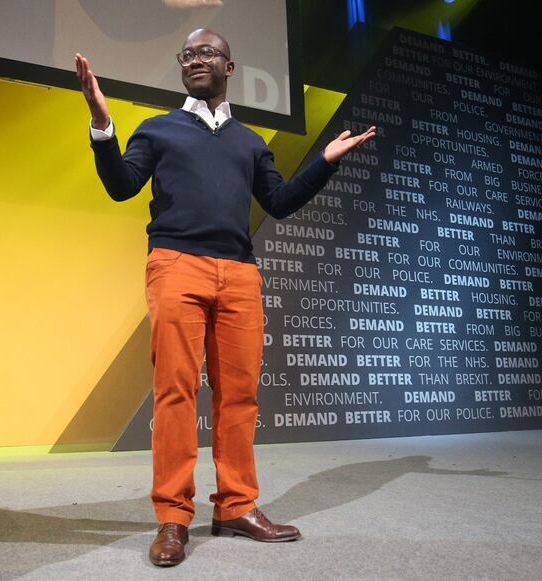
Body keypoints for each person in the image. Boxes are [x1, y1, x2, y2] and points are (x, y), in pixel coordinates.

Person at [75, 28, 375, 567]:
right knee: (175, 392)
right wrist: (102, 126)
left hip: (239, 274)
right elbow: (121, 186)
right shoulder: (158, 129)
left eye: (207, 52)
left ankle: (236, 506)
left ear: (229, 68)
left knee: (240, 396)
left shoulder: (250, 142)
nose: (196, 60)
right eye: (188, 54)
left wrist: (325, 161)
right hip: (176, 265)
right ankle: (173, 516)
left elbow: (278, 202)